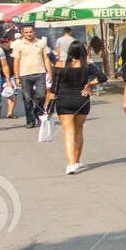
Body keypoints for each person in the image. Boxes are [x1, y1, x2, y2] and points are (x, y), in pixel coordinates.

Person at [45, 42, 99, 175]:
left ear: (69, 52)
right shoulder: (87, 66)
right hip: (81, 100)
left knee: (68, 133)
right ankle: (77, 160)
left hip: (64, 101)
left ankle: (70, 165)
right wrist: (88, 85)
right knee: (79, 131)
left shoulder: (60, 65)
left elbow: (54, 88)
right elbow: (102, 77)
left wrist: (47, 104)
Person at [9, 24, 52, 129]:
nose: (29, 34)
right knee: (27, 99)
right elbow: (16, 62)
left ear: (34, 32)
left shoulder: (41, 43)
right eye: (26, 32)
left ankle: (38, 113)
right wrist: (17, 77)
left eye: (30, 32)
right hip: (24, 75)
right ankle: (30, 120)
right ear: (23, 33)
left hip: (40, 73)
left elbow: (46, 59)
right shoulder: (18, 45)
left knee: (41, 96)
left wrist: (50, 72)